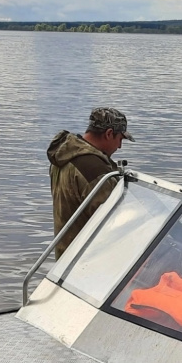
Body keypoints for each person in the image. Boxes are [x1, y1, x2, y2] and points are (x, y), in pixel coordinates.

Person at [47, 107, 135, 257]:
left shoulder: (63, 158)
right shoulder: (94, 170)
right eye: (120, 139)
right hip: (87, 258)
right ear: (108, 134)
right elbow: (114, 220)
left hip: (65, 255)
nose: (119, 146)